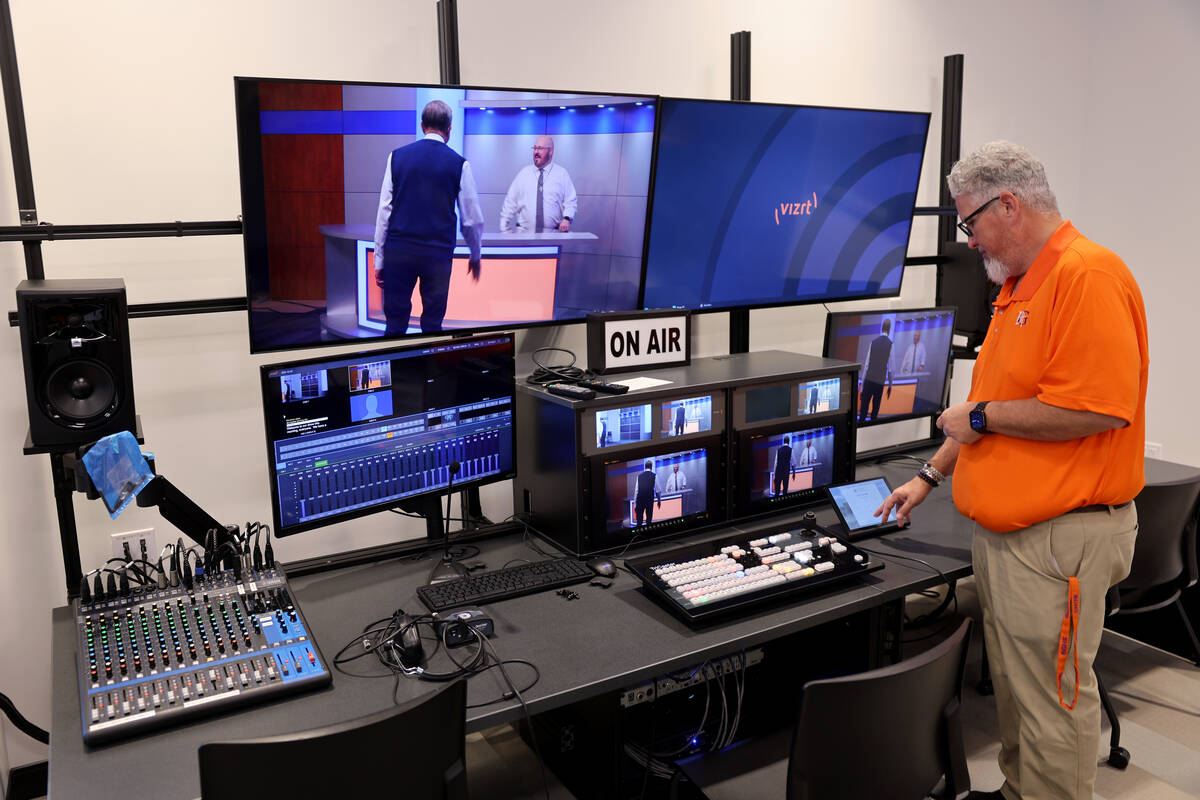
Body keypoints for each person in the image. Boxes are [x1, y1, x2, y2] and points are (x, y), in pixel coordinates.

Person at [875, 141, 1147, 800]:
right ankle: (1024, 790)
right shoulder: (1021, 284)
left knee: (1054, 701)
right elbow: (978, 410)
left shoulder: (1087, 276)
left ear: (1010, 205)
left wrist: (987, 419)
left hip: (1060, 538)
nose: (968, 242)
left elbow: (1097, 409)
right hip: (1014, 540)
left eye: (970, 223)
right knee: (1022, 692)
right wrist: (929, 476)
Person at [373, 100, 483, 335]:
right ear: (449, 129)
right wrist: (475, 254)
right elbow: (471, 219)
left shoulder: (396, 157)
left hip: (399, 252)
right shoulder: (459, 164)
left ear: (422, 125)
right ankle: (429, 369)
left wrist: (379, 260)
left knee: (395, 322)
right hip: (437, 255)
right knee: (433, 323)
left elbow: (384, 213)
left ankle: (397, 367)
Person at [499, 135, 578, 234]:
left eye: (540, 148)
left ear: (551, 151)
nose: (536, 152)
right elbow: (510, 201)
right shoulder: (523, 174)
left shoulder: (562, 174)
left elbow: (571, 201)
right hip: (524, 235)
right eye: (535, 148)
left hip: (553, 235)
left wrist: (567, 219)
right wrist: (504, 227)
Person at [858, 319, 893, 422]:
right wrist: (890, 386)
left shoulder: (873, 343)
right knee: (874, 412)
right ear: (889, 329)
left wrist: (862, 388)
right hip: (879, 382)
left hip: (869, 380)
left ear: (882, 328)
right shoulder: (891, 344)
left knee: (863, 412)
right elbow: (890, 370)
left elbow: (866, 366)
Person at [634, 460, 660, 526]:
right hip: (649, 500)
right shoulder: (654, 476)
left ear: (645, 467)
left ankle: (639, 533)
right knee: (649, 519)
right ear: (651, 467)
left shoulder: (639, 476)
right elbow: (658, 490)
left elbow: (636, 491)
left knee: (639, 521)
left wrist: (635, 504)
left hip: (640, 500)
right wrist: (659, 500)